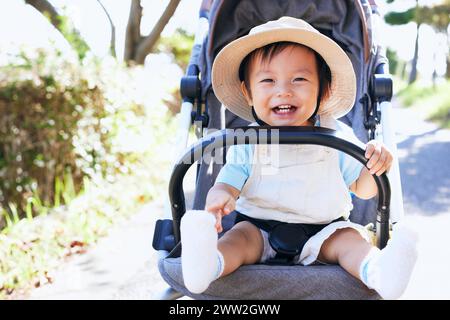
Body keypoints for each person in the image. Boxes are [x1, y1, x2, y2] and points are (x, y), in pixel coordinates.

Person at [180, 16, 418, 300]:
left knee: (350, 241)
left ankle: (381, 272)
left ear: (324, 90)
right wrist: (218, 197)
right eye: (268, 80)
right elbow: (228, 184)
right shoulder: (248, 141)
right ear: (249, 93)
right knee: (237, 240)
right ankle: (207, 264)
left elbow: (364, 189)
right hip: (258, 227)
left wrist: (377, 164)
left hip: (326, 230)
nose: (284, 90)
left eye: (300, 79)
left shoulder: (335, 136)